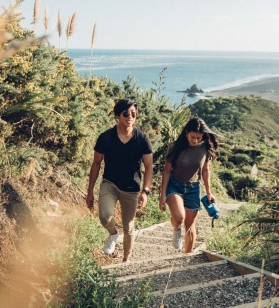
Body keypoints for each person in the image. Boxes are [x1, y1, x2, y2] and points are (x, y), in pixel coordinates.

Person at [86, 98, 153, 263]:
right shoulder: (106, 137)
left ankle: (126, 259)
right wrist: (90, 192)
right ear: (117, 115)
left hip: (132, 188)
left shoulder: (142, 139)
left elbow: (149, 167)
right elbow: (96, 164)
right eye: (126, 113)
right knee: (105, 216)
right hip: (110, 183)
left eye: (133, 113)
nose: (130, 116)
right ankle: (114, 233)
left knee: (129, 226)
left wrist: (145, 191)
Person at [159, 117, 219, 253]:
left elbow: (205, 170)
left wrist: (209, 192)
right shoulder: (175, 147)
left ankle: (187, 256)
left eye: (199, 138)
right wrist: (162, 195)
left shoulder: (204, 149)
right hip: (174, 185)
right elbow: (167, 170)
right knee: (179, 217)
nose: (195, 141)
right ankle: (176, 229)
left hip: (193, 188)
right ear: (186, 132)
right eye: (193, 137)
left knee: (190, 226)